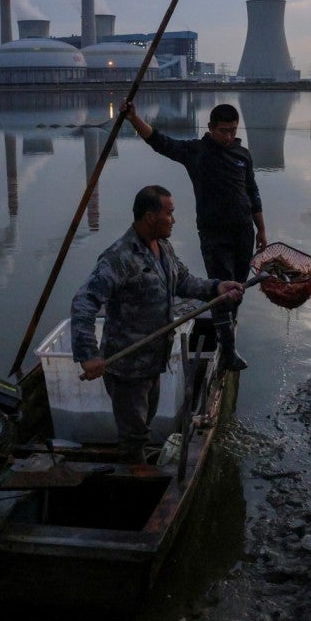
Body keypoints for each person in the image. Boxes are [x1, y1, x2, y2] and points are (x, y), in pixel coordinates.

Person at [72, 185, 244, 463]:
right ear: (151, 217)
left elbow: (185, 282)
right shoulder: (120, 257)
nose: (174, 220)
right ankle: (130, 481)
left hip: (154, 361)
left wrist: (217, 287)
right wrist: (88, 354)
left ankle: (138, 464)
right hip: (128, 369)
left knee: (143, 427)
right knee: (133, 437)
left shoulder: (163, 247)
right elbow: (84, 302)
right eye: (169, 213)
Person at [120, 100, 265, 372]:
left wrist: (262, 229)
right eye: (223, 130)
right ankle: (229, 351)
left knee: (238, 288)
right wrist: (134, 119)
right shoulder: (196, 152)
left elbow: (252, 191)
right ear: (210, 128)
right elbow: (159, 142)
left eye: (233, 130)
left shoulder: (242, 154)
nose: (229, 136)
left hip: (243, 231)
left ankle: (228, 332)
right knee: (222, 287)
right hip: (214, 234)